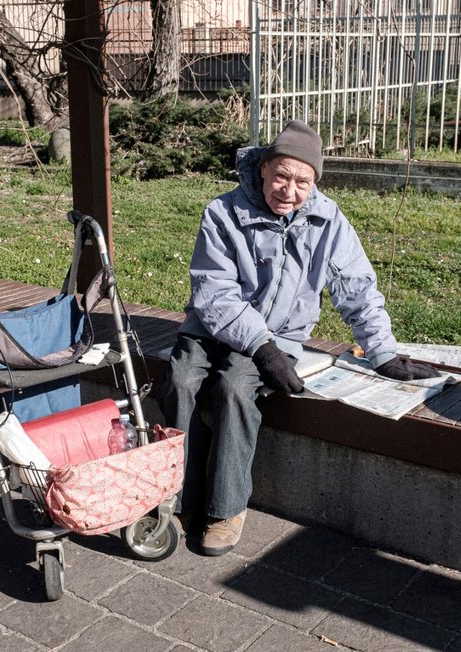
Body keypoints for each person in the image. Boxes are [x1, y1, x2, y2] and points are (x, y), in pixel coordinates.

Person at [156, 120, 440, 556]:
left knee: (234, 386)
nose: (289, 189)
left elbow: (358, 289)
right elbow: (214, 293)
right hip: (212, 327)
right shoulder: (223, 212)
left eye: (302, 181)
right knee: (180, 380)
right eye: (282, 176)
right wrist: (261, 347)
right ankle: (177, 497)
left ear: (314, 183)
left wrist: (382, 353)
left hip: (280, 336)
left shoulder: (330, 222)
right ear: (263, 170)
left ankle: (226, 507)